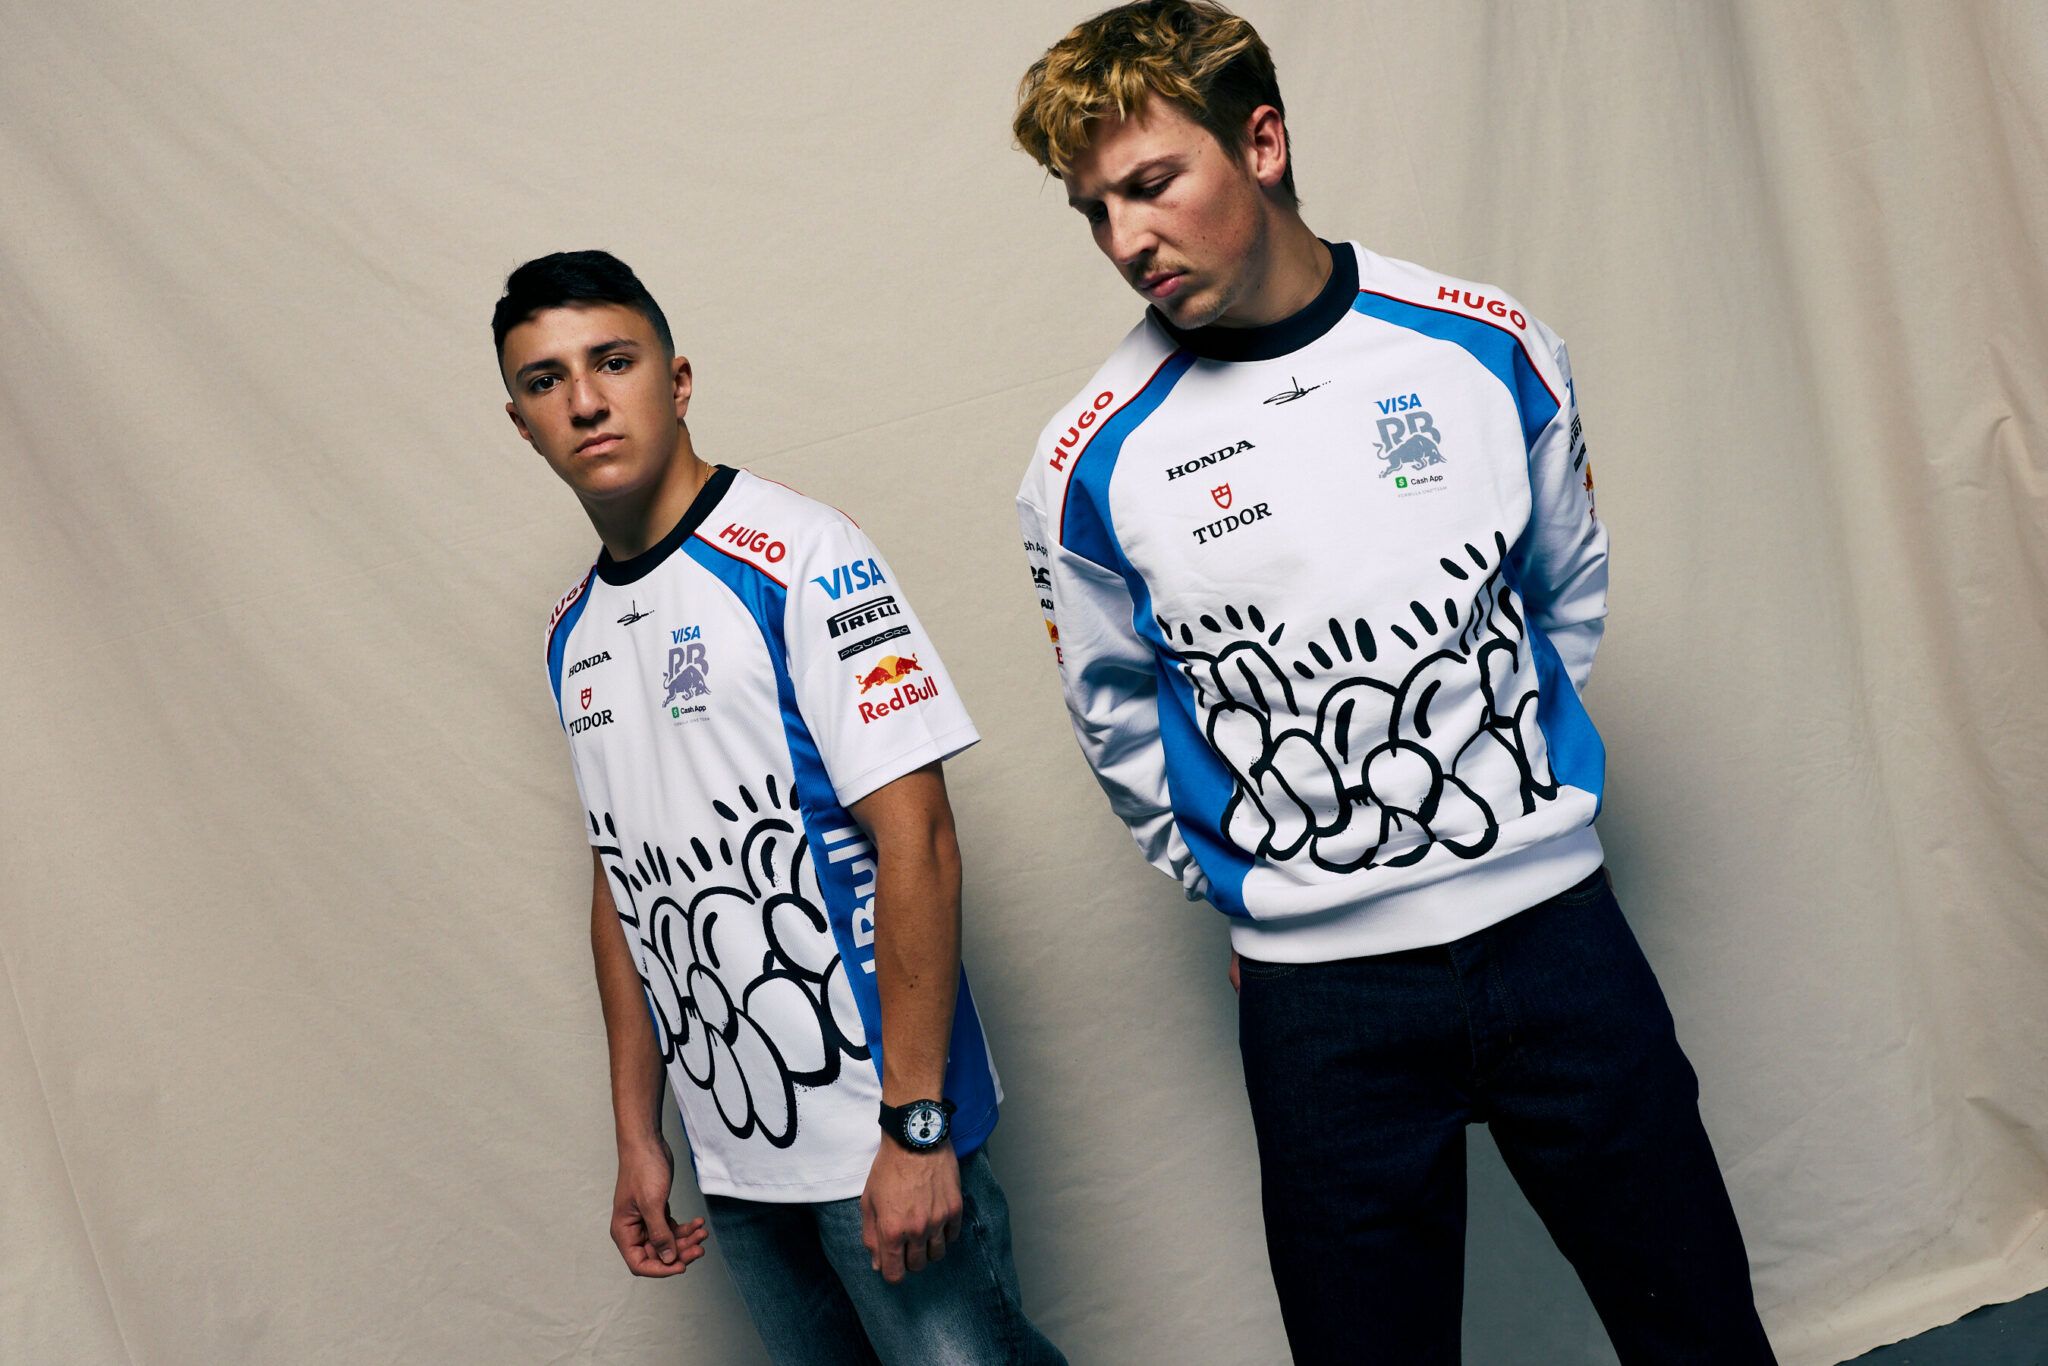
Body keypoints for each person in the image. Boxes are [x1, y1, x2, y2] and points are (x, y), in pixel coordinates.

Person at [1009, 5, 1776, 1362]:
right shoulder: (1086, 461)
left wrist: (1502, 797)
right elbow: (1117, 722)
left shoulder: (1482, 347)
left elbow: (1562, 591)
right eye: (1093, 211)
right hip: (1321, 1002)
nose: (1126, 239)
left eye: (1152, 184)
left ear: (1262, 142)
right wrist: (1264, 886)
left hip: (1555, 936)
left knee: (1700, 1330)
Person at [497, 251, 1063, 1365]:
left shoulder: (797, 553)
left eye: (614, 362)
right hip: (737, 1162)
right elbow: (623, 881)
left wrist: (918, 1128)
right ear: (522, 423)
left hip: (878, 1137)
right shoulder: (572, 632)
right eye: (546, 381)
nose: (586, 401)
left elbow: (919, 839)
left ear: (678, 379)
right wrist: (638, 1133)